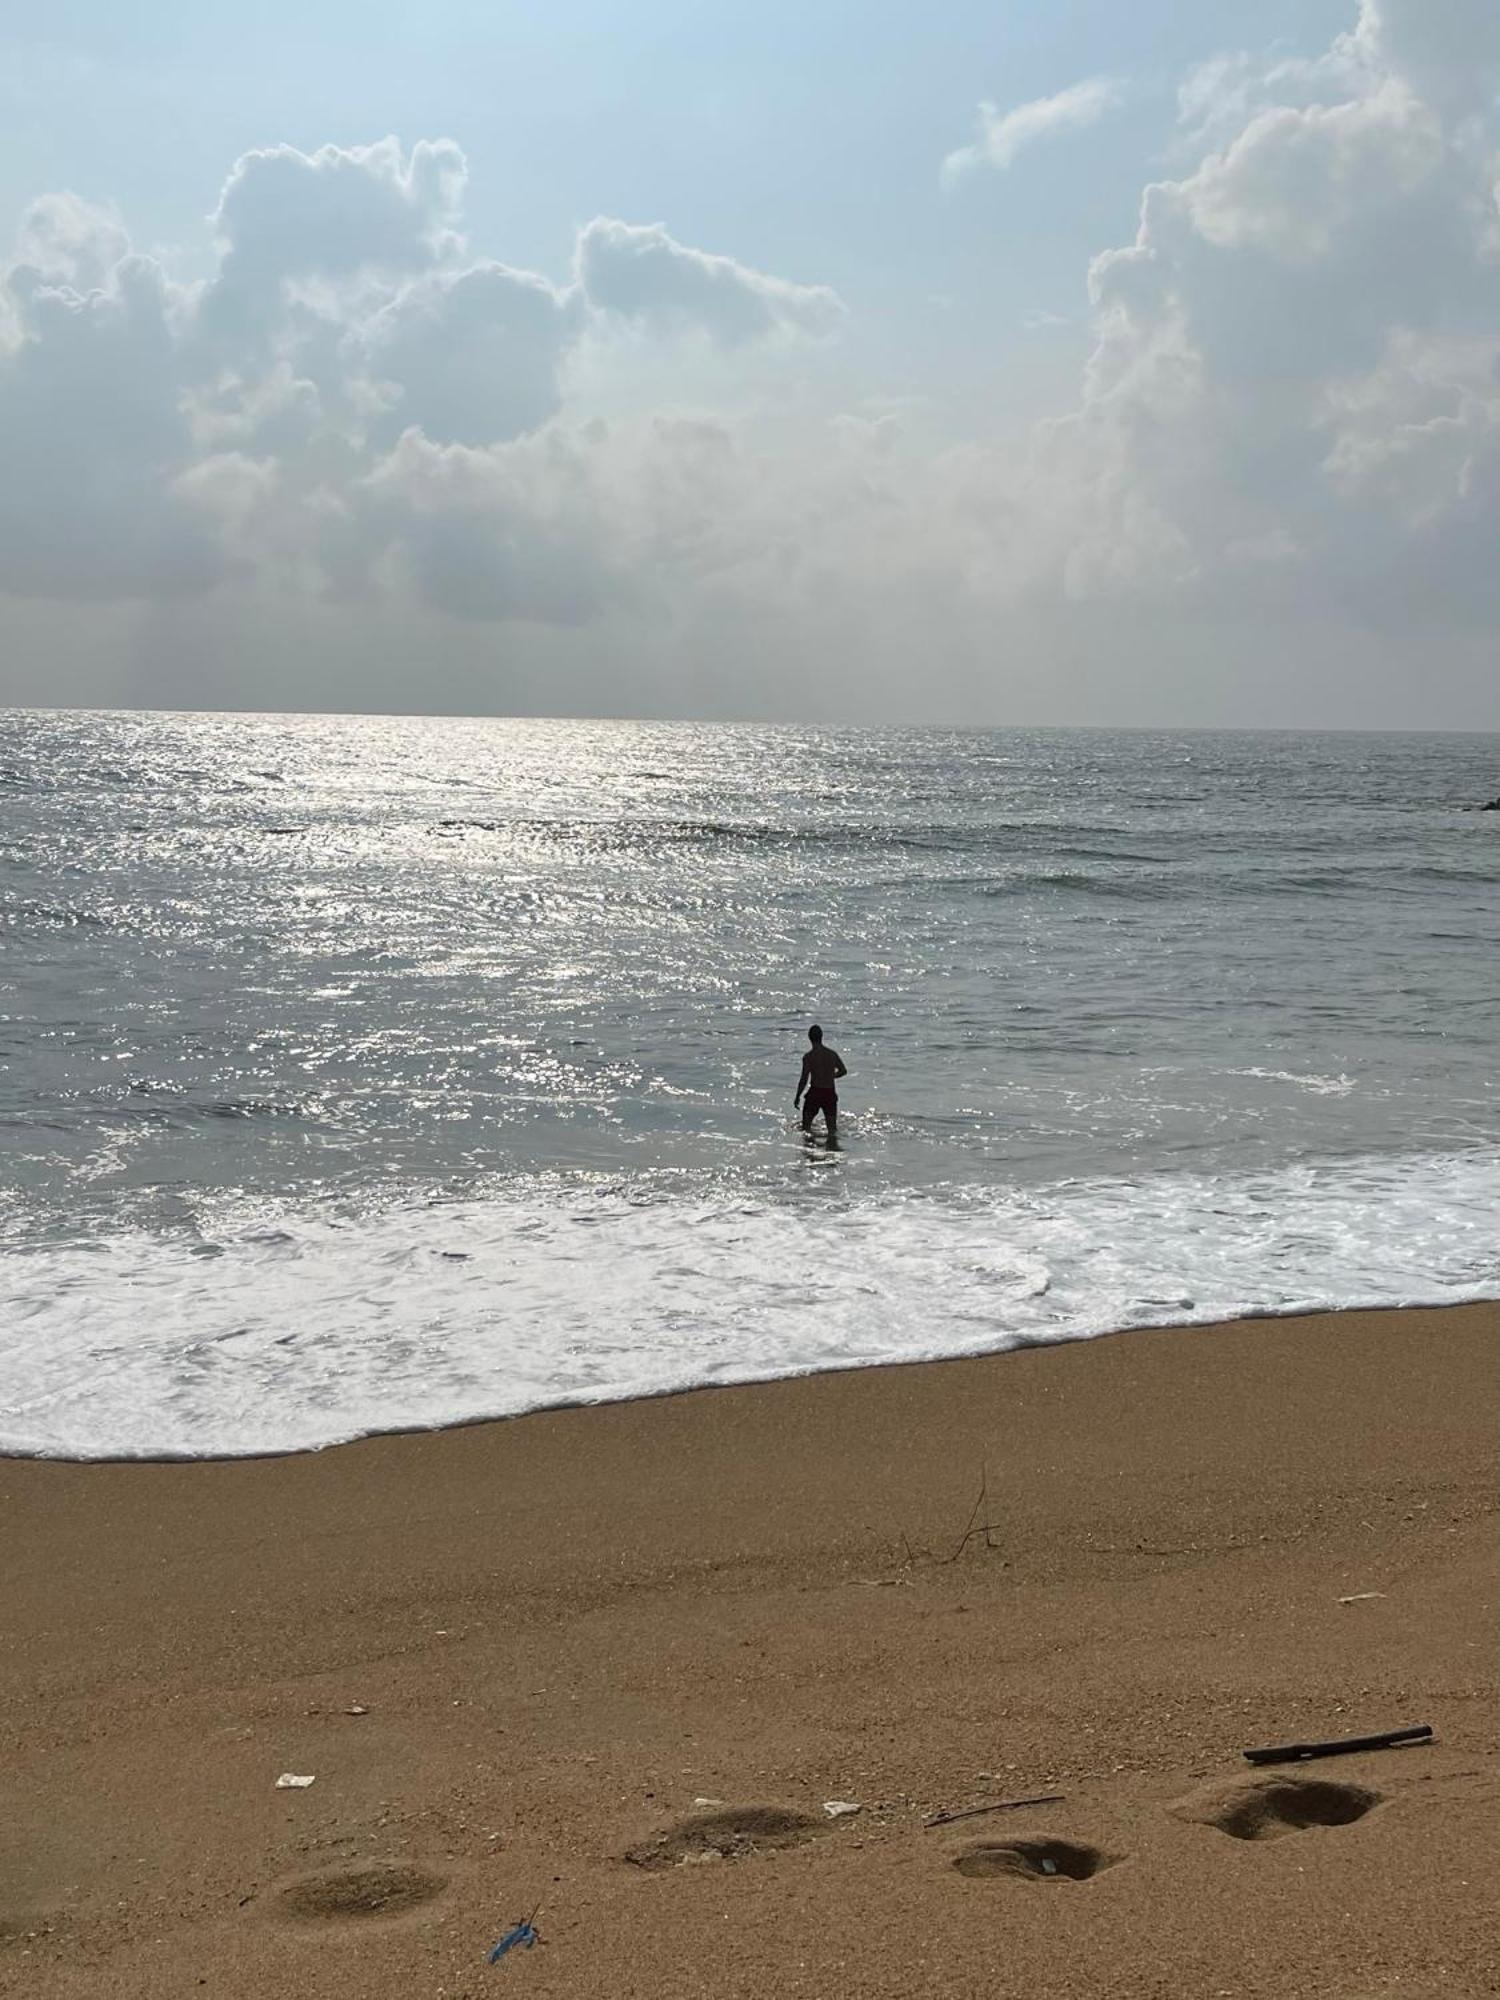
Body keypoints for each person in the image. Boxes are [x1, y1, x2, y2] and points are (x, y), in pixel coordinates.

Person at [794, 1024, 847, 1139]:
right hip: (829, 1093)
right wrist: (831, 1076)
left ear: (809, 1038)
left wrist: (798, 1096)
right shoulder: (832, 1054)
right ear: (821, 1037)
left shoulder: (808, 1057)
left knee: (806, 1127)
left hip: (815, 1093)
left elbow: (804, 1079)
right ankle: (832, 1150)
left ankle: (810, 1152)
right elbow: (843, 1071)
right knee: (832, 1129)